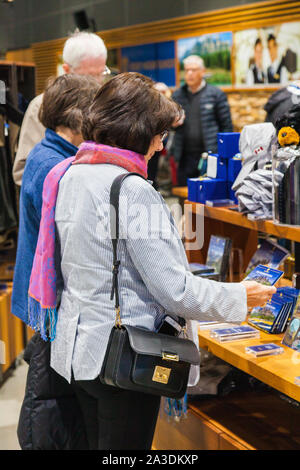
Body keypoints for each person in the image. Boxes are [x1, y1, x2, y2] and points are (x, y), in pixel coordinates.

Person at [27, 72, 275, 450]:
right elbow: (175, 290)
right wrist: (242, 296)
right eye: (159, 133)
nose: (161, 145)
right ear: (136, 129)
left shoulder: (71, 173)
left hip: (78, 351)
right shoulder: (132, 190)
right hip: (123, 359)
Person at [13, 73, 100, 450]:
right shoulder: (57, 166)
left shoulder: (51, 155)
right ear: (79, 117)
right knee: (54, 401)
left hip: (47, 296)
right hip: (53, 301)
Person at [12, 31, 108, 186]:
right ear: (67, 69)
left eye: (102, 72)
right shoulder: (42, 105)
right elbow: (23, 172)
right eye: (90, 76)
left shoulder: (104, 101)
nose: (97, 82)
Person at [171, 55, 233, 186]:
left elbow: (226, 127)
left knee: (207, 197)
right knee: (185, 199)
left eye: (193, 70)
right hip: (184, 157)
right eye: (187, 70)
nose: (189, 74)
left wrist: (223, 155)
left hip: (209, 156)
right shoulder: (177, 95)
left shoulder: (216, 94)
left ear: (202, 71)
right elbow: (169, 125)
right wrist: (172, 124)